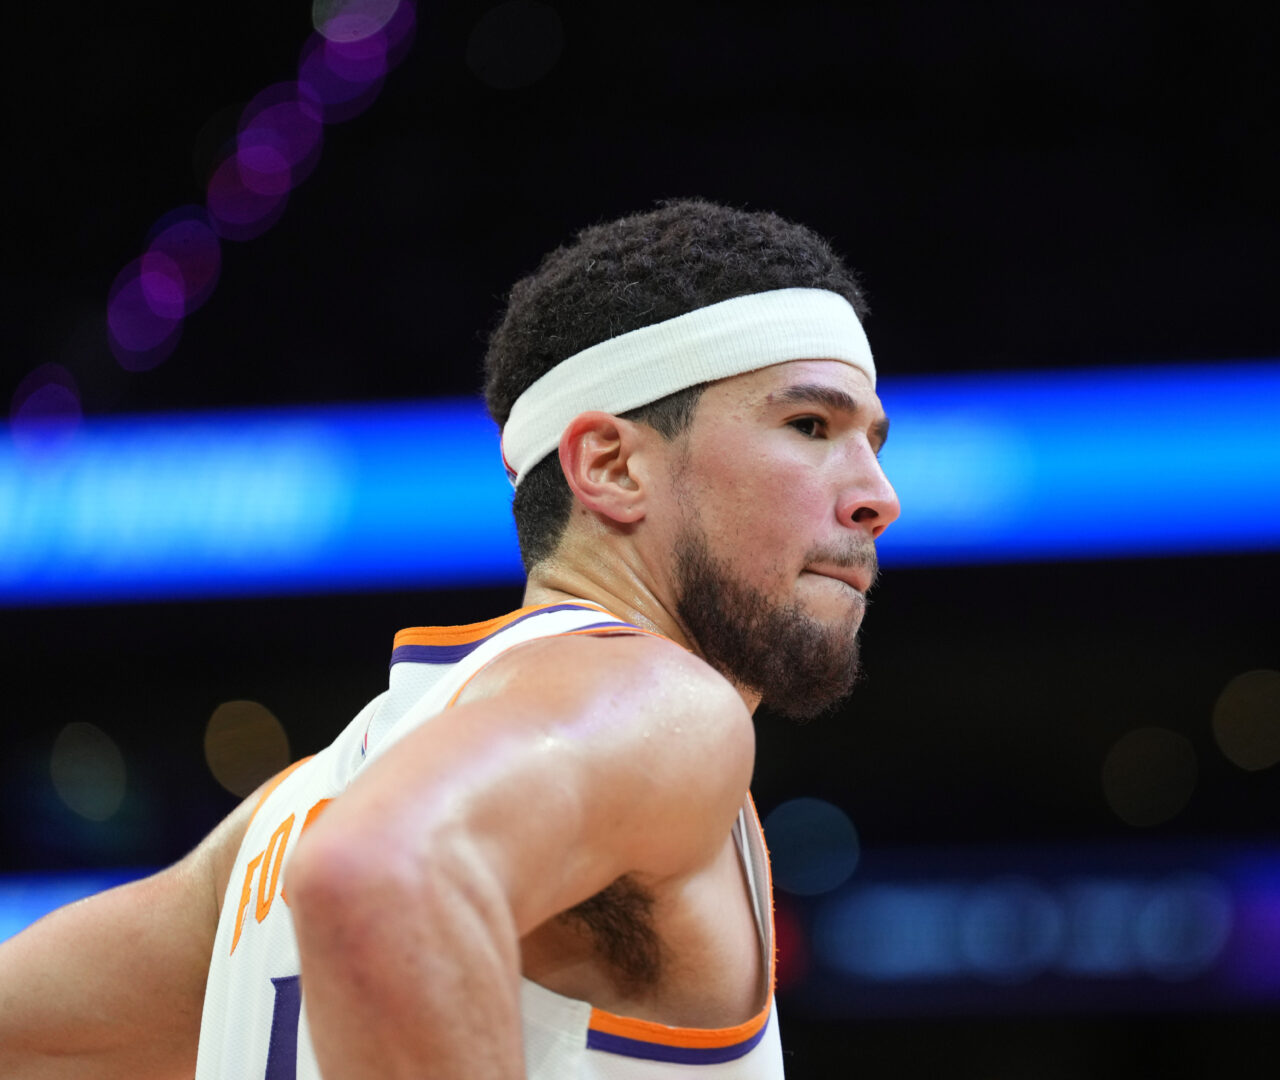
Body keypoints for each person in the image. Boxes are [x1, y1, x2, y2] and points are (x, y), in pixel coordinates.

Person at [0, 199, 899, 1079]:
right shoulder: (663, 708)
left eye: (874, 441)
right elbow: (376, 874)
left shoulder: (285, 817)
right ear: (612, 465)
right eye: (810, 426)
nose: (878, 495)